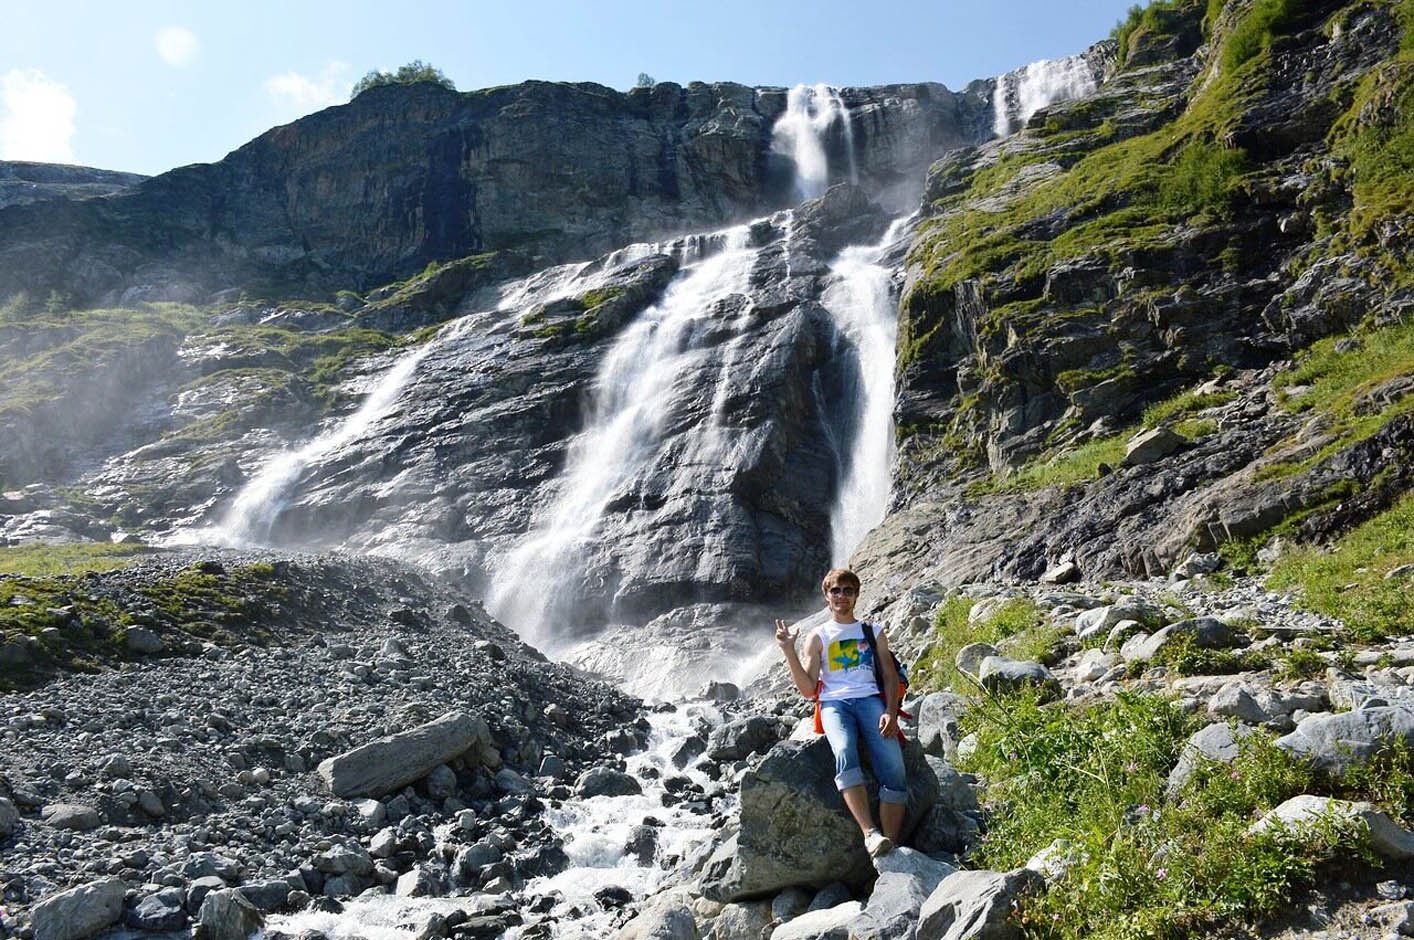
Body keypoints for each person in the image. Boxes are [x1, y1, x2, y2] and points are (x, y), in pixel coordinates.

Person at [775, 567, 906, 858]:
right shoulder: (818, 636)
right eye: (836, 590)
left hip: (870, 699)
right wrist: (788, 651)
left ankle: (892, 848)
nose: (842, 596)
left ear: (856, 595)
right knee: (845, 749)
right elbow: (809, 690)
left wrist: (891, 712)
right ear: (826, 595)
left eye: (848, 590)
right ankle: (870, 834)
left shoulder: (873, 632)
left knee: (895, 768)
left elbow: (889, 675)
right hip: (834, 704)